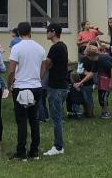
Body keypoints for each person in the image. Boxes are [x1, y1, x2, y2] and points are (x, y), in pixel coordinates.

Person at [7, 22, 46, 161]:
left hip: (21, 86)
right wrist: (37, 78)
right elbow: (43, 66)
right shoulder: (40, 47)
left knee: (22, 120)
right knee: (34, 120)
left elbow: (11, 70)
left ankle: (21, 152)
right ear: (30, 31)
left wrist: (9, 84)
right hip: (36, 86)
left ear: (18, 32)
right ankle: (34, 151)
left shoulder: (16, 48)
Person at [42, 23, 69, 156]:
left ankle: (58, 147)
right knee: (57, 117)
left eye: (47, 31)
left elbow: (47, 63)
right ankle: (58, 145)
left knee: (56, 118)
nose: (46, 33)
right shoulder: (63, 46)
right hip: (63, 86)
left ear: (53, 32)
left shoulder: (55, 47)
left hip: (56, 87)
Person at [84, 45, 112, 119]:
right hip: (104, 79)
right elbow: (92, 73)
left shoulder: (102, 58)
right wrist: (81, 82)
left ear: (91, 55)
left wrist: (111, 82)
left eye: (87, 56)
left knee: (104, 97)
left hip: (111, 78)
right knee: (101, 97)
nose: (87, 58)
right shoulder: (96, 60)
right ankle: (104, 112)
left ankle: (107, 113)